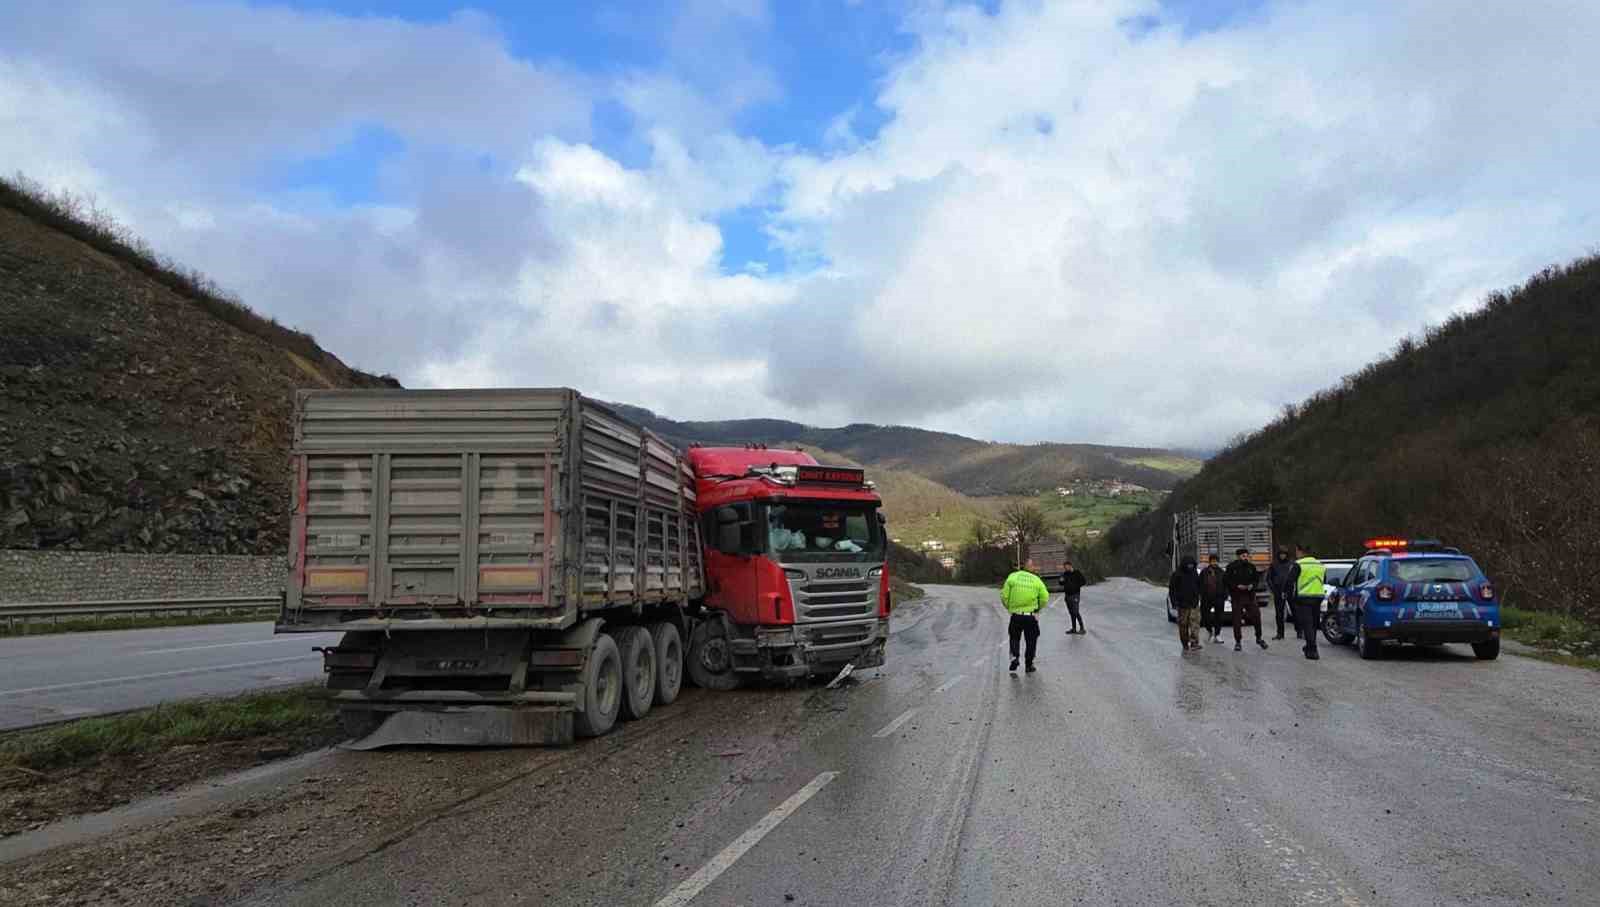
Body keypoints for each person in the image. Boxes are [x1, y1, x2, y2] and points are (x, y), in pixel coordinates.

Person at [1001, 559, 1050, 673]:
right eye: (1033, 566)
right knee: (1031, 640)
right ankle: (1029, 665)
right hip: (1030, 616)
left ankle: (1015, 657)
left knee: (1014, 637)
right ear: (1031, 567)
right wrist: (1038, 608)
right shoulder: (1037, 580)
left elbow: (1004, 596)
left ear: (1023, 566)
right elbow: (1045, 597)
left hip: (1016, 615)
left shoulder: (1012, 577)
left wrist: (1009, 607)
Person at [1286, 543, 1325, 660]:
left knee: (1307, 624)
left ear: (1299, 551)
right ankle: (1309, 646)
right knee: (1314, 624)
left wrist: (1288, 595)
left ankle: (1312, 650)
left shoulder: (1298, 564)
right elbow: (1323, 580)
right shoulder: (1320, 564)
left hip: (1304, 597)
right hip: (1318, 596)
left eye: (1296, 551)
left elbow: (1289, 581)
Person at [1225, 547, 1267, 651]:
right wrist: (1236, 586)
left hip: (1250, 596)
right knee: (1237, 620)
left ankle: (1259, 638)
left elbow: (1256, 580)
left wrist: (1252, 585)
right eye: (1243, 556)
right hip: (1237, 597)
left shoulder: (1251, 567)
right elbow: (1226, 581)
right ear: (1238, 556)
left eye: (1247, 556)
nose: (1245, 557)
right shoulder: (1231, 567)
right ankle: (1238, 642)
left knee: (1256, 616)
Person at [1168, 555, 1202, 652]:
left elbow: (1199, 585)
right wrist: (1174, 602)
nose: (1190, 567)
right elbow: (1172, 589)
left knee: (1195, 623)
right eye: (1188, 565)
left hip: (1194, 603)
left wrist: (1199, 596)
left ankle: (1194, 642)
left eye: (1192, 565)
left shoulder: (1194, 573)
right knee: (1183, 625)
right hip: (1182, 604)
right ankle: (1185, 643)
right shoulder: (1177, 574)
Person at [1265, 546, 1295, 640]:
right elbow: (1268, 578)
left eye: (1284, 554)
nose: (1282, 556)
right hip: (1278, 591)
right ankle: (1280, 633)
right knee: (1279, 614)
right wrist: (1273, 589)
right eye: (1281, 554)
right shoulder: (1274, 564)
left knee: (1295, 611)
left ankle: (1299, 630)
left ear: (1287, 555)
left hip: (1290, 590)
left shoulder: (1292, 564)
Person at [1199, 554, 1227, 644]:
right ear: (1210, 562)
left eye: (1216, 561)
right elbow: (1199, 583)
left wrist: (1225, 595)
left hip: (1219, 597)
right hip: (1206, 597)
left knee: (1219, 616)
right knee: (1205, 615)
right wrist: (1201, 594)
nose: (1214, 563)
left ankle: (1217, 634)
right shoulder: (1204, 572)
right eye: (1213, 561)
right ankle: (1209, 631)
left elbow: (1226, 584)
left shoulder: (1222, 572)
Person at [1060, 560, 1087, 634]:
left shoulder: (1077, 572)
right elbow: (1061, 583)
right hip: (1067, 596)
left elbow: (1084, 581)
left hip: (1075, 595)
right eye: (1064, 567)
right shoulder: (1065, 574)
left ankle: (1082, 628)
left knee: (1075, 611)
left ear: (1070, 566)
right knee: (1071, 613)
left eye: (1066, 567)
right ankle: (1074, 628)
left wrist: (1076, 586)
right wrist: (1061, 581)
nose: (1065, 568)